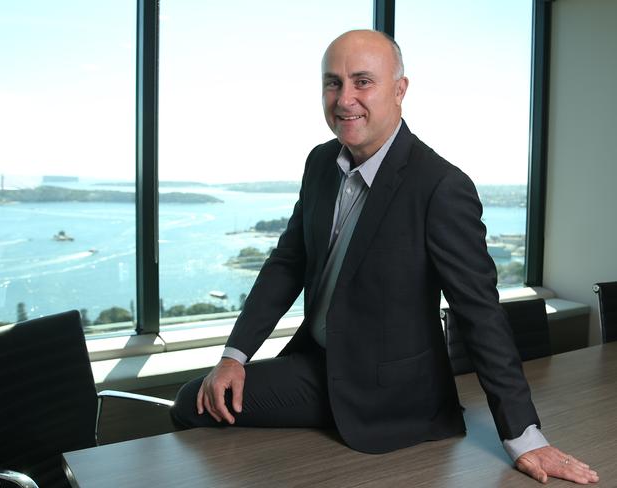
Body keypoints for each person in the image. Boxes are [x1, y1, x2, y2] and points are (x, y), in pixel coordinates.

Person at [172, 30, 598, 484]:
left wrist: (524, 437)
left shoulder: (440, 187)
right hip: (319, 363)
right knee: (200, 399)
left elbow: (481, 314)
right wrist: (235, 355)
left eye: (362, 82)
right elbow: (287, 264)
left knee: (199, 409)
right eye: (332, 83)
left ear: (399, 90)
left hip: (391, 392)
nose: (344, 99)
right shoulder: (320, 164)